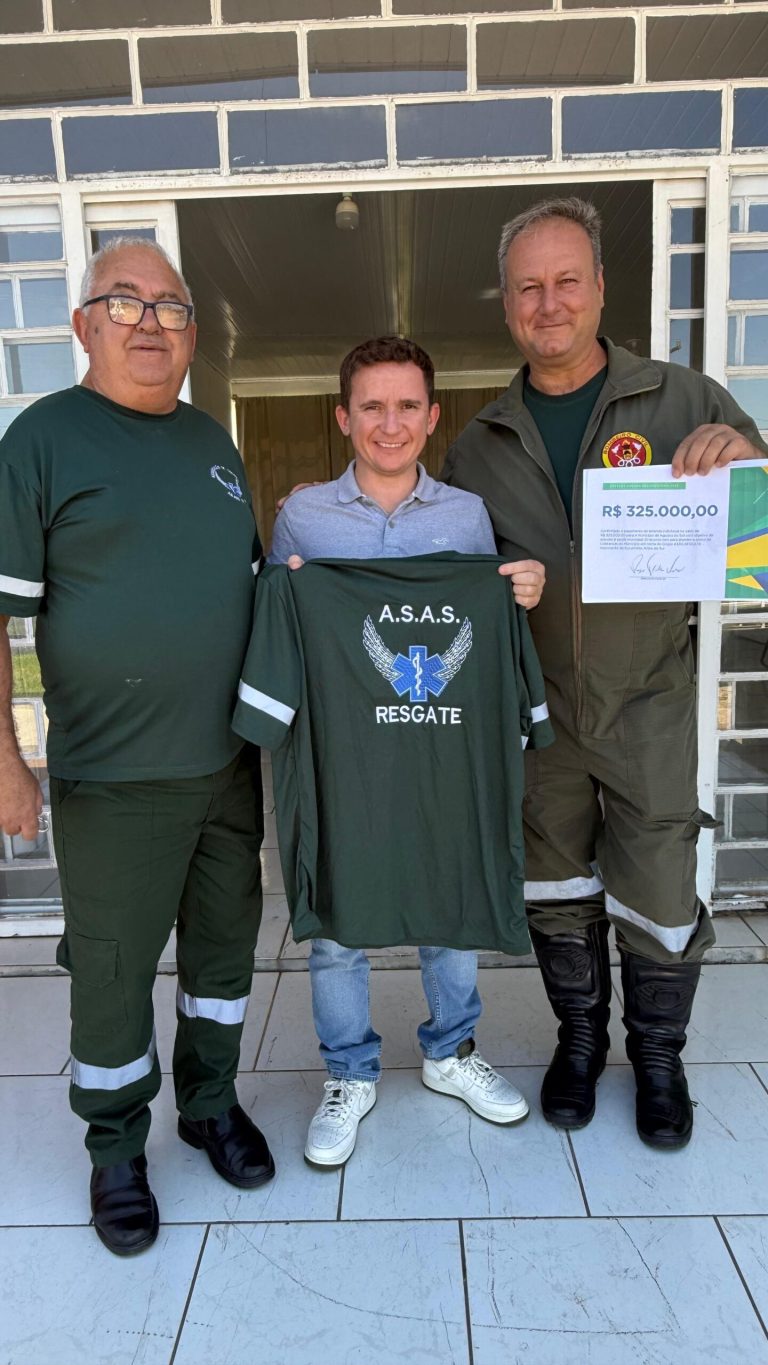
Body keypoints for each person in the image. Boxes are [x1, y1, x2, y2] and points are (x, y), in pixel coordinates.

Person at [443, 197, 768, 1150]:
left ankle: (658, 1058)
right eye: (528, 287)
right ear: (507, 302)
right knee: (555, 886)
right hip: (536, 713)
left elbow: (757, 525)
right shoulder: (479, 441)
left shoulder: (682, 398)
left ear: (599, 287)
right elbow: (444, 575)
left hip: (650, 703)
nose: (548, 304)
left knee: (661, 887)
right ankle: (579, 1042)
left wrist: (748, 460)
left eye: (565, 281)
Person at [0, 238, 274, 1257]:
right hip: (113, 779)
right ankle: (116, 1148)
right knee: (113, 974)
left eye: (171, 306)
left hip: (228, 768)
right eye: (125, 302)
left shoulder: (214, 445)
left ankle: (209, 1104)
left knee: (222, 955)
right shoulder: (42, 440)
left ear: (194, 334)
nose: (151, 322)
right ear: (85, 325)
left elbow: (257, 593)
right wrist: (7, 761)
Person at [255, 335, 546, 1169]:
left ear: (433, 415)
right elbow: (276, 627)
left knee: (446, 893)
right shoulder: (303, 517)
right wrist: (284, 583)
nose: (391, 423)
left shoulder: (466, 517)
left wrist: (520, 590)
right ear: (343, 418)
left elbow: (485, 627)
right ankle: (349, 1072)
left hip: (440, 752)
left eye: (408, 405)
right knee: (337, 914)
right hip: (344, 759)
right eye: (373, 406)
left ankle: (451, 1051)